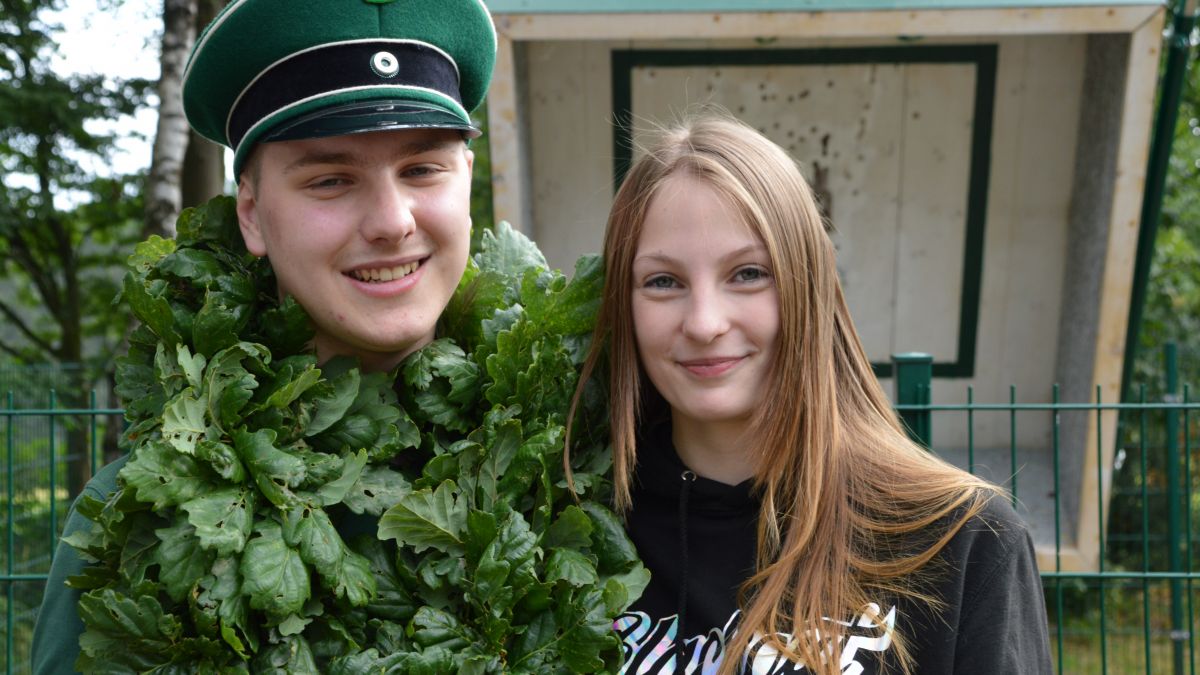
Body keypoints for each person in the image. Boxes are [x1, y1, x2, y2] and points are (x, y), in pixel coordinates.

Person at [32, 1, 496, 671]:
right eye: (331, 179)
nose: (393, 221)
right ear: (251, 214)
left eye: (423, 170)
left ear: (468, 183)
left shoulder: (593, 457)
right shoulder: (134, 523)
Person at [571, 115, 1053, 674]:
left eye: (748, 273)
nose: (704, 323)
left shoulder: (964, 540)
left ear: (807, 285)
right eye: (663, 282)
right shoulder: (572, 530)